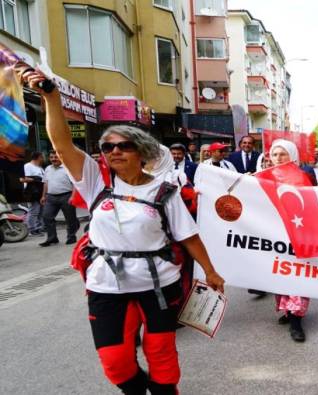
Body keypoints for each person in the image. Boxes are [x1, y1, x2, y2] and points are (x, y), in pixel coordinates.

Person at [24, 69, 225, 394]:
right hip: (105, 286)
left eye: (125, 145)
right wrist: (51, 97)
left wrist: (212, 272)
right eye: (108, 146)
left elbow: (189, 236)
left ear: (143, 153)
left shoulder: (165, 192)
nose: (114, 151)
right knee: (116, 363)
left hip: (159, 285)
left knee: (162, 358)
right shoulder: (96, 182)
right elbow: (62, 144)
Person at [267, 139, 316, 342]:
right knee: (280, 274)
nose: (278, 158)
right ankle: (287, 311)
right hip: (273, 234)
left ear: (292, 155)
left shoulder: (302, 176)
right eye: (275, 154)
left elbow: (312, 204)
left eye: (283, 154)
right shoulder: (264, 177)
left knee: (297, 275)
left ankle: (296, 320)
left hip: (298, 234)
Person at [39, 150, 79, 246]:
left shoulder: (68, 168)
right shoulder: (48, 168)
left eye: (56, 157)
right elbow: (46, 183)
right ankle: (52, 238)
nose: (53, 159)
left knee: (70, 218)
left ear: (61, 157)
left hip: (67, 196)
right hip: (51, 197)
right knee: (46, 216)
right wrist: (43, 196)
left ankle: (71, 236)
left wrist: (73, 196)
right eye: (51, 157)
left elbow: (75, 184)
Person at [20, 151, 45, 236]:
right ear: (39, 157)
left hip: (40, 192)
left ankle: (38, 228)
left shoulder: (40, 167)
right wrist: (35, 179)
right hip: (32, 192)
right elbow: (23, 179)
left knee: (41, 211)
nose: (44, 158)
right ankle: (31, 229)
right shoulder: (27, 166)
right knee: (34, 211)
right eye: (42, 156)